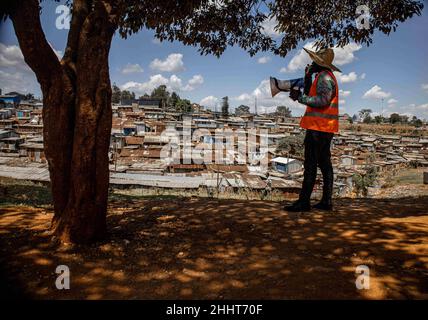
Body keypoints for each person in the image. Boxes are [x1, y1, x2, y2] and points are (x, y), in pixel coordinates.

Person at [284, 47, 341, 212]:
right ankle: (326, 201)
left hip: (318, 128)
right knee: (324, 163)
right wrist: (307, 76)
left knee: (311, 164)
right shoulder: (324, 76)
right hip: (325, 128)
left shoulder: (324, 77)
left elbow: (322, 100)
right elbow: (311, 93)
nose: (311, 63)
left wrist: (300, 98)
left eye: (314, 61)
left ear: (319, 63)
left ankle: (304, 202)